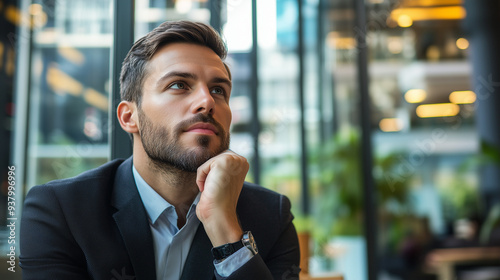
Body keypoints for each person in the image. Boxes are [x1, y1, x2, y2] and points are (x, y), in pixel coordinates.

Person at [20, 20, 300, 280]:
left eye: (218, 90)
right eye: (179, 85)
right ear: (130, 117)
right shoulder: (61, 210)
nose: (206, 101)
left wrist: (226, 231)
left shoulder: (271, 216)